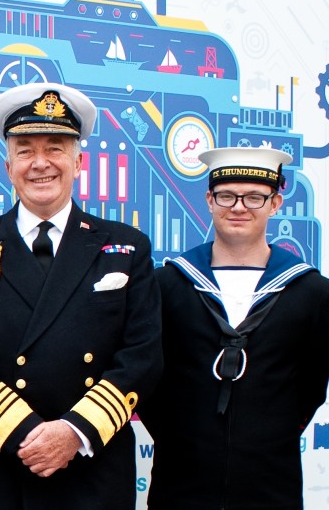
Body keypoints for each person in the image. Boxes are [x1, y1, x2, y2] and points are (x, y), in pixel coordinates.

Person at [0, 82, 163, 509]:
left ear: (79, 162)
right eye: (25, 150)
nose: (41, 164)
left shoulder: (126, 247)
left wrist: (73, 433)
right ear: (8, 165)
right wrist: (25, 434)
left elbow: (143, 354)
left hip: (92, 470)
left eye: (55, 148)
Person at [140, 146, 329, 509]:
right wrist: (185, 437)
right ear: (209, 200)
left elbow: (311, 387)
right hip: (181, 487)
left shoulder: (311, 292)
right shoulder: (166, 285)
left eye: (255, 197)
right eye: (227, 195)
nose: (239, 207)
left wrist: (266, 434)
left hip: (271, 488)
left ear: (275, 204)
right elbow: (150, 378)